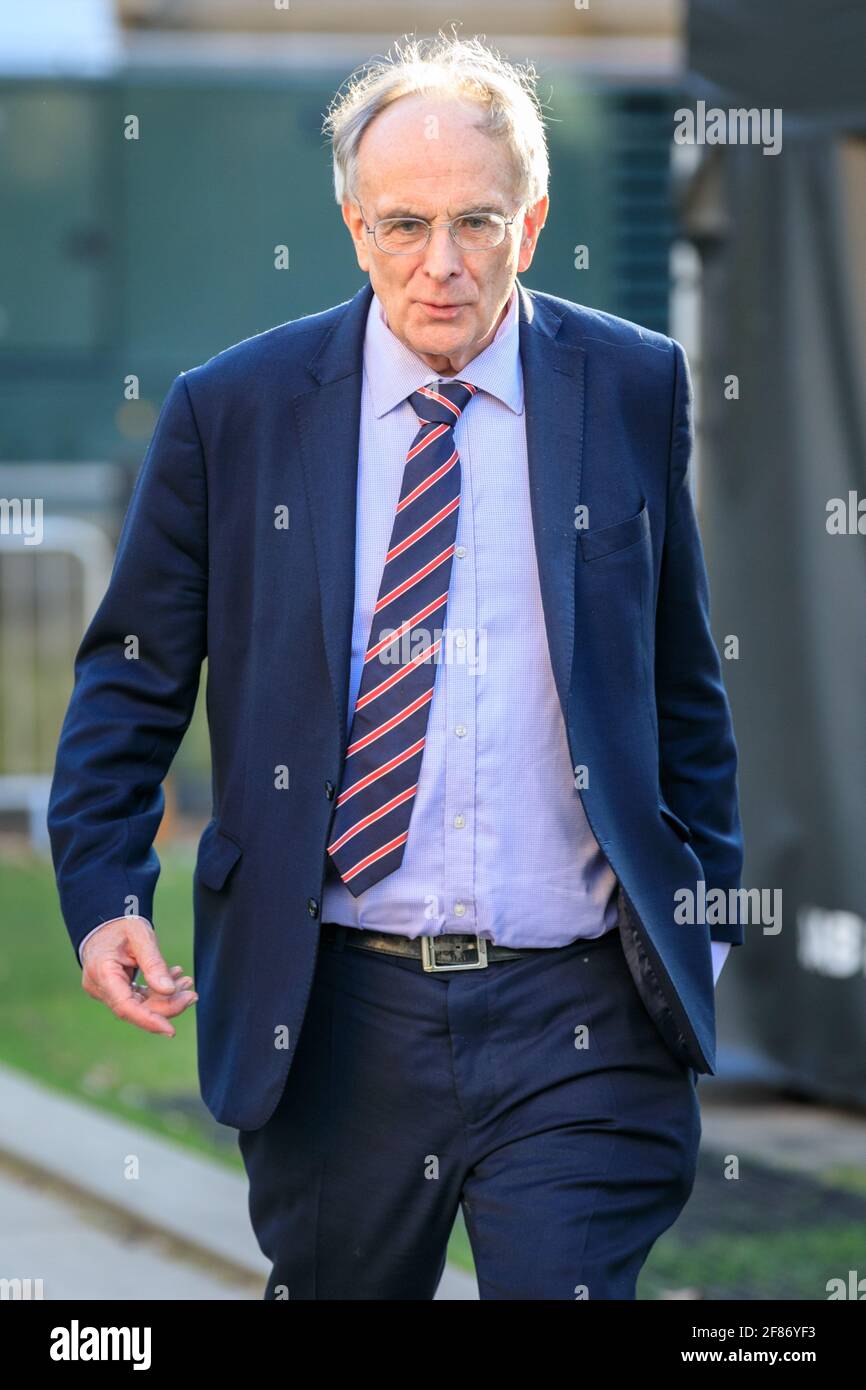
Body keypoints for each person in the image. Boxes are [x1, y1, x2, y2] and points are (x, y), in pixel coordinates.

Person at [48, 34, 744, 1300]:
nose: (441, 263)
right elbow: (133, 673)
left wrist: (700, 912)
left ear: (529, 222)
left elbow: (680, 677)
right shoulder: (238, 410)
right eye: (405, 224)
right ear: (352, 226)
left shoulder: (630, 385)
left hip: (579, 1013)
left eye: (476, 221)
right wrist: (105, 892)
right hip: (335, 1015)